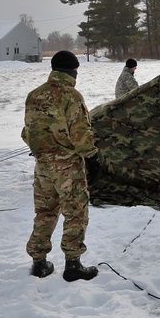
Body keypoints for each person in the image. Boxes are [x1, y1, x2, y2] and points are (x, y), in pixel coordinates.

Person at [23, 50, 103, 281]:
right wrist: (92, 158)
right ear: (73, 70)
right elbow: (80, 134)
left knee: (45, 212)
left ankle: (39, 263)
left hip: (42, 166)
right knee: (75, 213)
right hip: (67, 166)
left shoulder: (34, 95)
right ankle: (73, 264)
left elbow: (27, 131)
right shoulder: (72, 96)